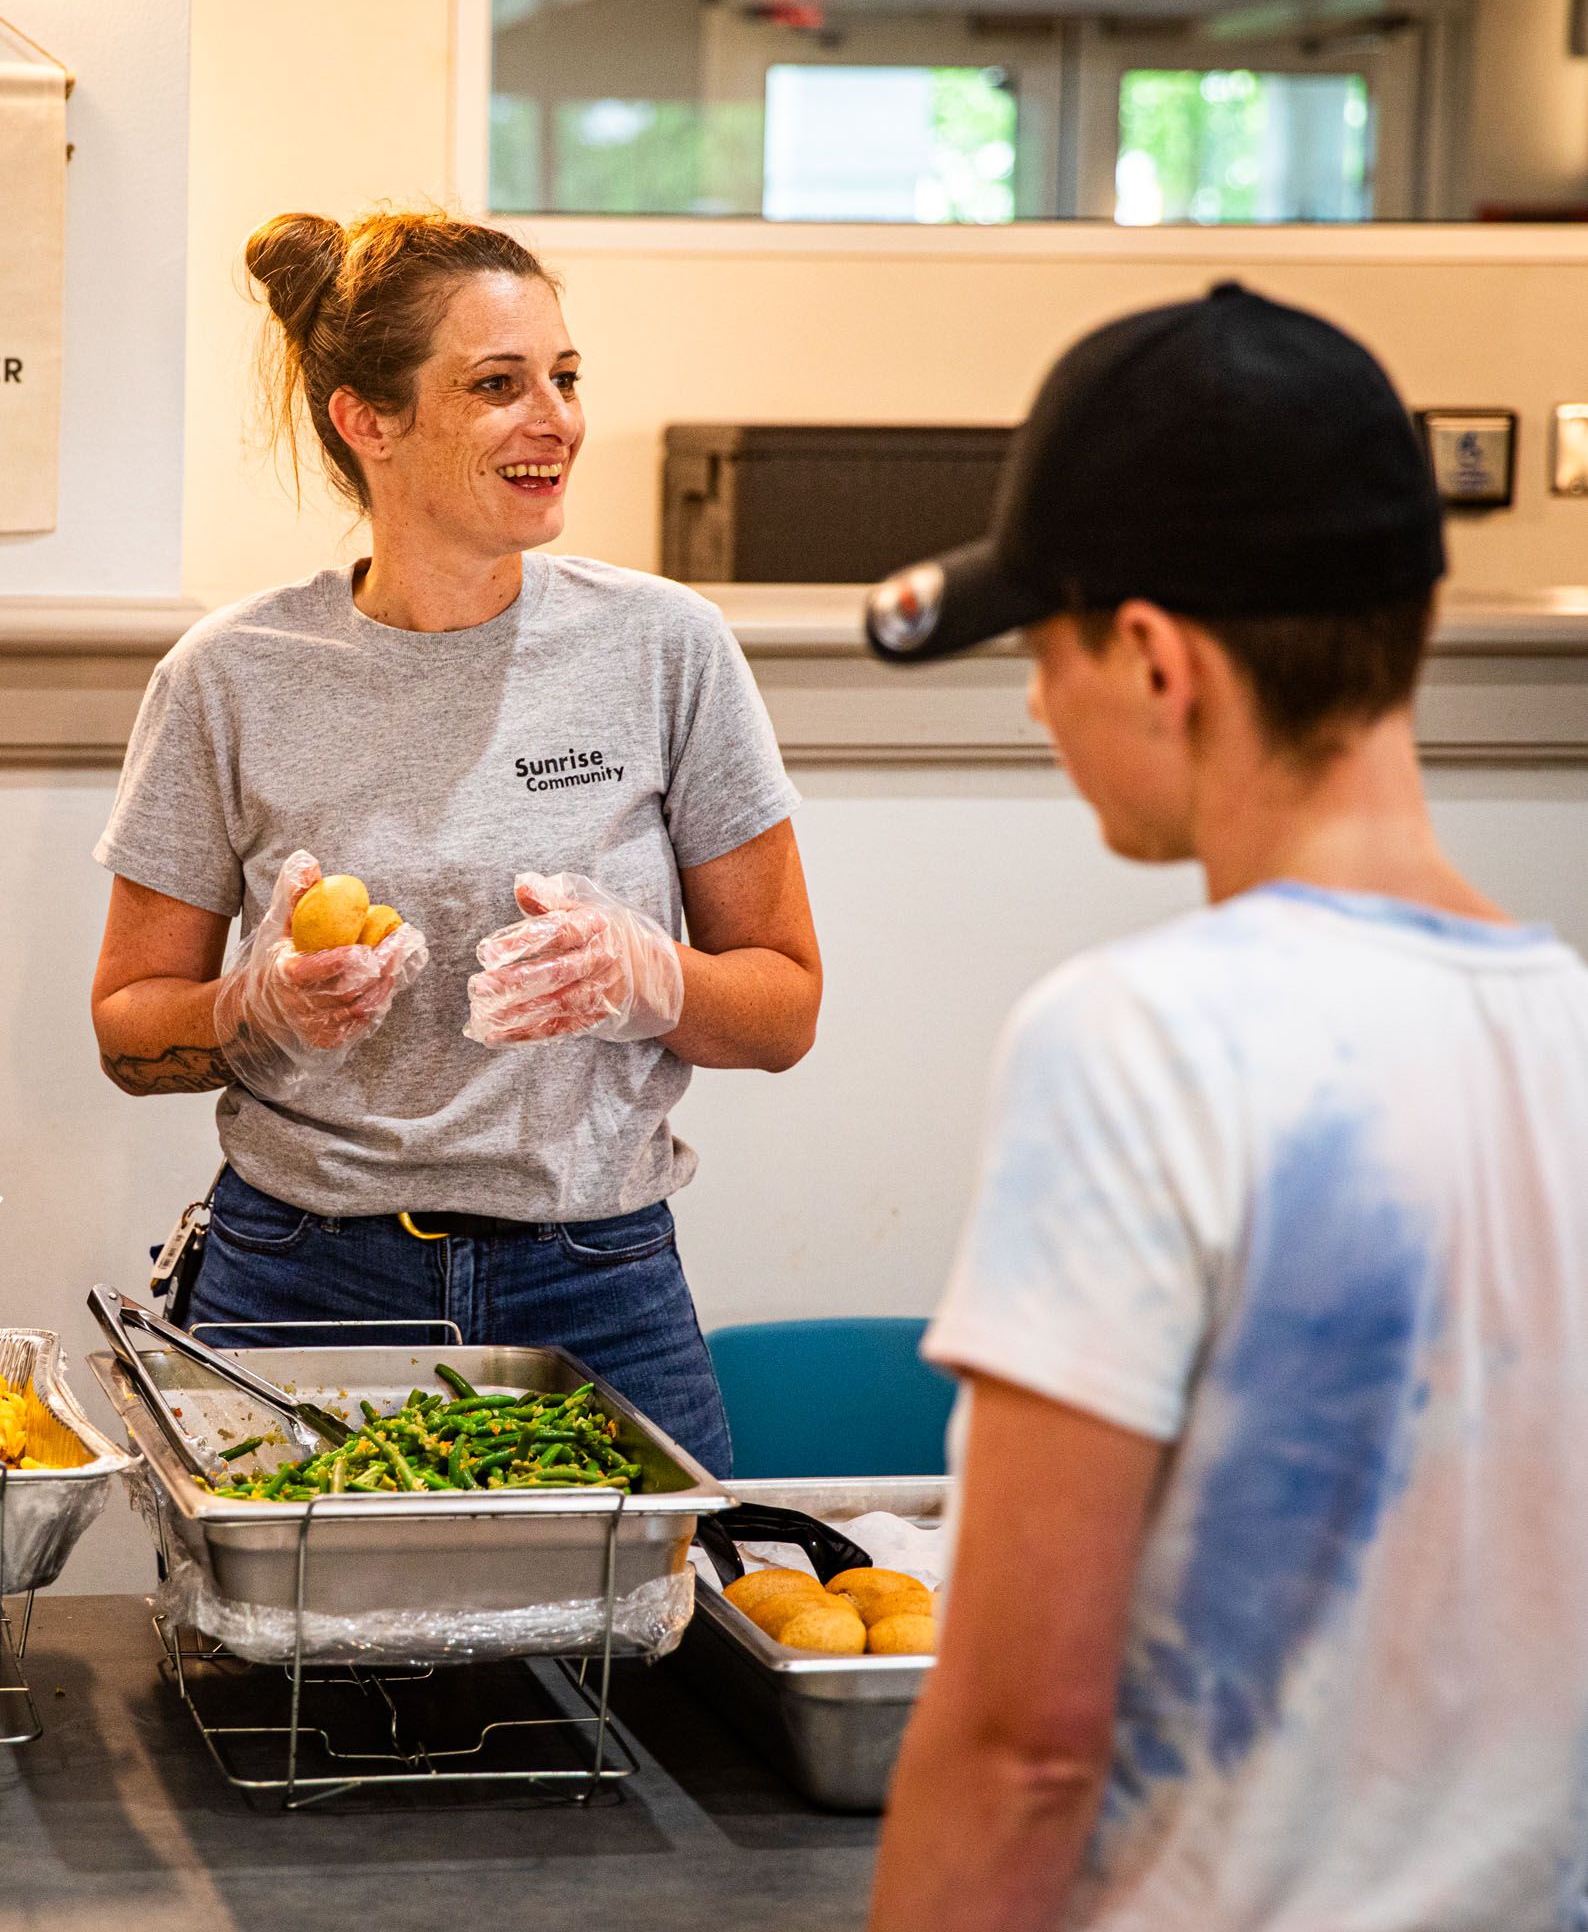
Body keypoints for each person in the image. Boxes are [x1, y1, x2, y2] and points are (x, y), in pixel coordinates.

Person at [863, 283, 1588, 1930]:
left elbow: (1024, 1746)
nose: (1038, 705)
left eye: (1043, 654)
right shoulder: (1568, 1032)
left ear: (1152, 658)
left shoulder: (1140, 1044)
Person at [88, 210, 822, 1470]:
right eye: (497, 385)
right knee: (287, 1662)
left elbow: (785, 1007)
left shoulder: (665, 648)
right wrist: (251, 1009)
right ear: (364, 419)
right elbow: (125, 1027)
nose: (556, 419)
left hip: (597, 1279)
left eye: (565, 377)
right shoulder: (233, 674)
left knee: (645, 1659)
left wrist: (646, 976)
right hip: (299, 1274)